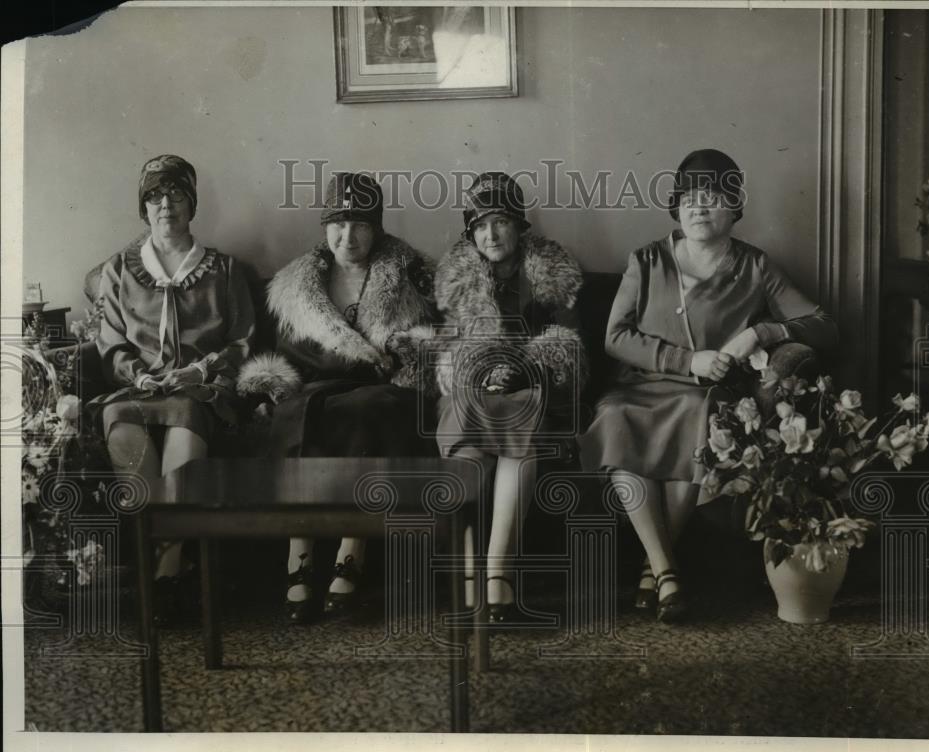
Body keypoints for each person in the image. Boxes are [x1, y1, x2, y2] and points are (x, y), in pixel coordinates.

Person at [577, 149, 837, 623]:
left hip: (704, 395)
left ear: (735, 208)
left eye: (713, 197)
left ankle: (656, 572)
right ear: (676, 207)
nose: (699, 207)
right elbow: (615, 337)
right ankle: (663, 569)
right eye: (689, 197)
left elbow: (823, 323)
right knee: (615, 419)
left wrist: (762, 332)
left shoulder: (756, 268)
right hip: (639, 386)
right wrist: (686, 359)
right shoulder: (648, 260)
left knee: (701, 421)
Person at [237, 172, 437, 624]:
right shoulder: (296, 285)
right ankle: (300, 556)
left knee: (370, 409)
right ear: (325, 227)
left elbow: (430, 342)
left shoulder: (412, 275)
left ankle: (352, 550)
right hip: (316, 387)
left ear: (377, 228)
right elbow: (289, 354)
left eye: (361, 225)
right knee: (302, 410)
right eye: (338, 224)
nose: (348, 236)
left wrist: (401, 354)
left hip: (385, 387)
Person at [92, 153, 256, 624]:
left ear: (192, 204)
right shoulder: (120, 270)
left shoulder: (223, 270)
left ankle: (163, 573)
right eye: (155, 196)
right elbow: (110, 341)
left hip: (198, 390)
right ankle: (162, 564)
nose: (167, 205)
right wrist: (136, 375)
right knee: (118, 420)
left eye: (177, 193)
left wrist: (202, 370)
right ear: (143, 208)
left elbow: (242, 339)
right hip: (139, 390)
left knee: (186, 414)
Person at [435, 172, 586, 624]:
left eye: (500, 222)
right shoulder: (458, 278)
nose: (491, 234)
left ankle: (497, 572)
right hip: (473, 389)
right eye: (480, 226)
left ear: (520, 226)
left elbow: (569, 343)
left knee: (519, 420)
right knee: (465, 423)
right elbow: (448, 344)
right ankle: (467, 574)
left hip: (532, 386)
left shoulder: (551, 272)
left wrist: (524, 366)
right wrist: (475, 367)